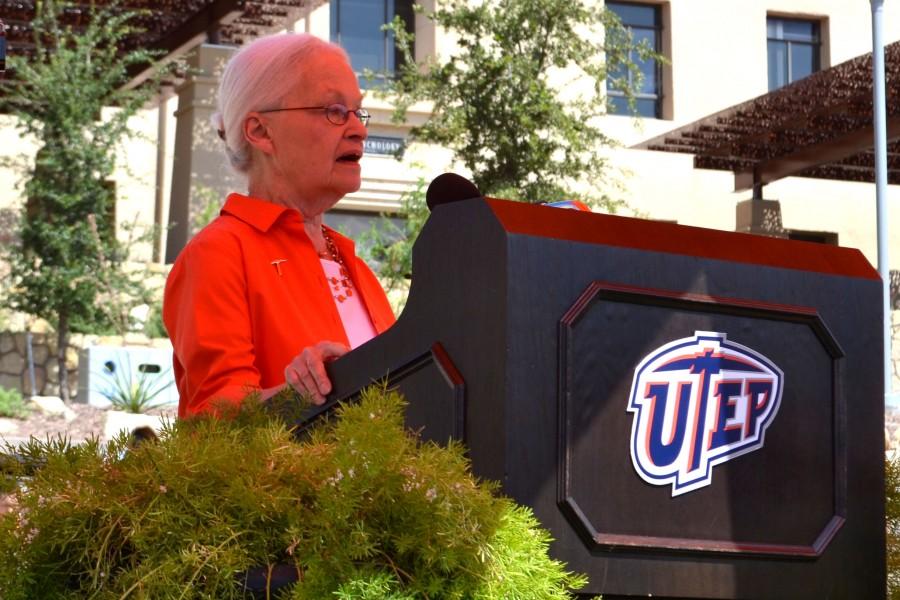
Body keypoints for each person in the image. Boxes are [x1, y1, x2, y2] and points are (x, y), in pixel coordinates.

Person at [163, 34, 396, 419]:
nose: (359, 130)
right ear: (260, 132)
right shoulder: (219, 254)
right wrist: (301, 395)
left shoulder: (352, 264)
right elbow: (211, 422)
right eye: (335, 110)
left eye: (358, 112)